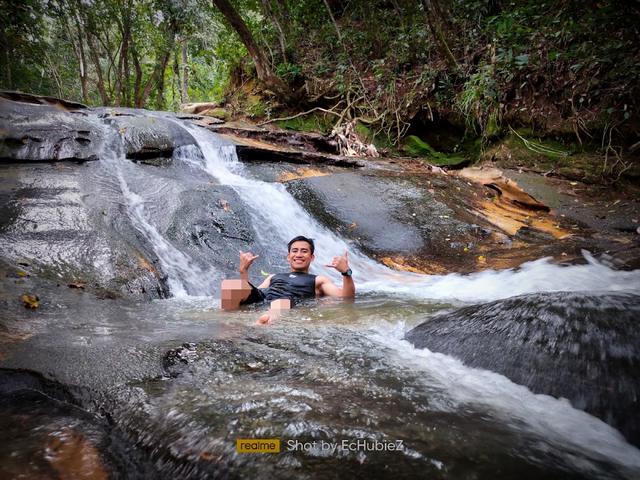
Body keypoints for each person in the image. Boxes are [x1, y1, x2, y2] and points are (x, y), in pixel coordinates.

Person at [220, 235, 355, 324]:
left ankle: (263, 323)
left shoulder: (318, 280)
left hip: (287, 301)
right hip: (264, 298)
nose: (299, 254)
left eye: (304, 251)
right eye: (295, 251)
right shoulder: (273, 276)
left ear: (312, 257)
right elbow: (252, 293)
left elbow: (345, 297)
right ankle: (227, 321)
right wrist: (243, 271)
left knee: (281, 302)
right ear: (288, 256)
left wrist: (346, 273)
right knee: (231, 285)